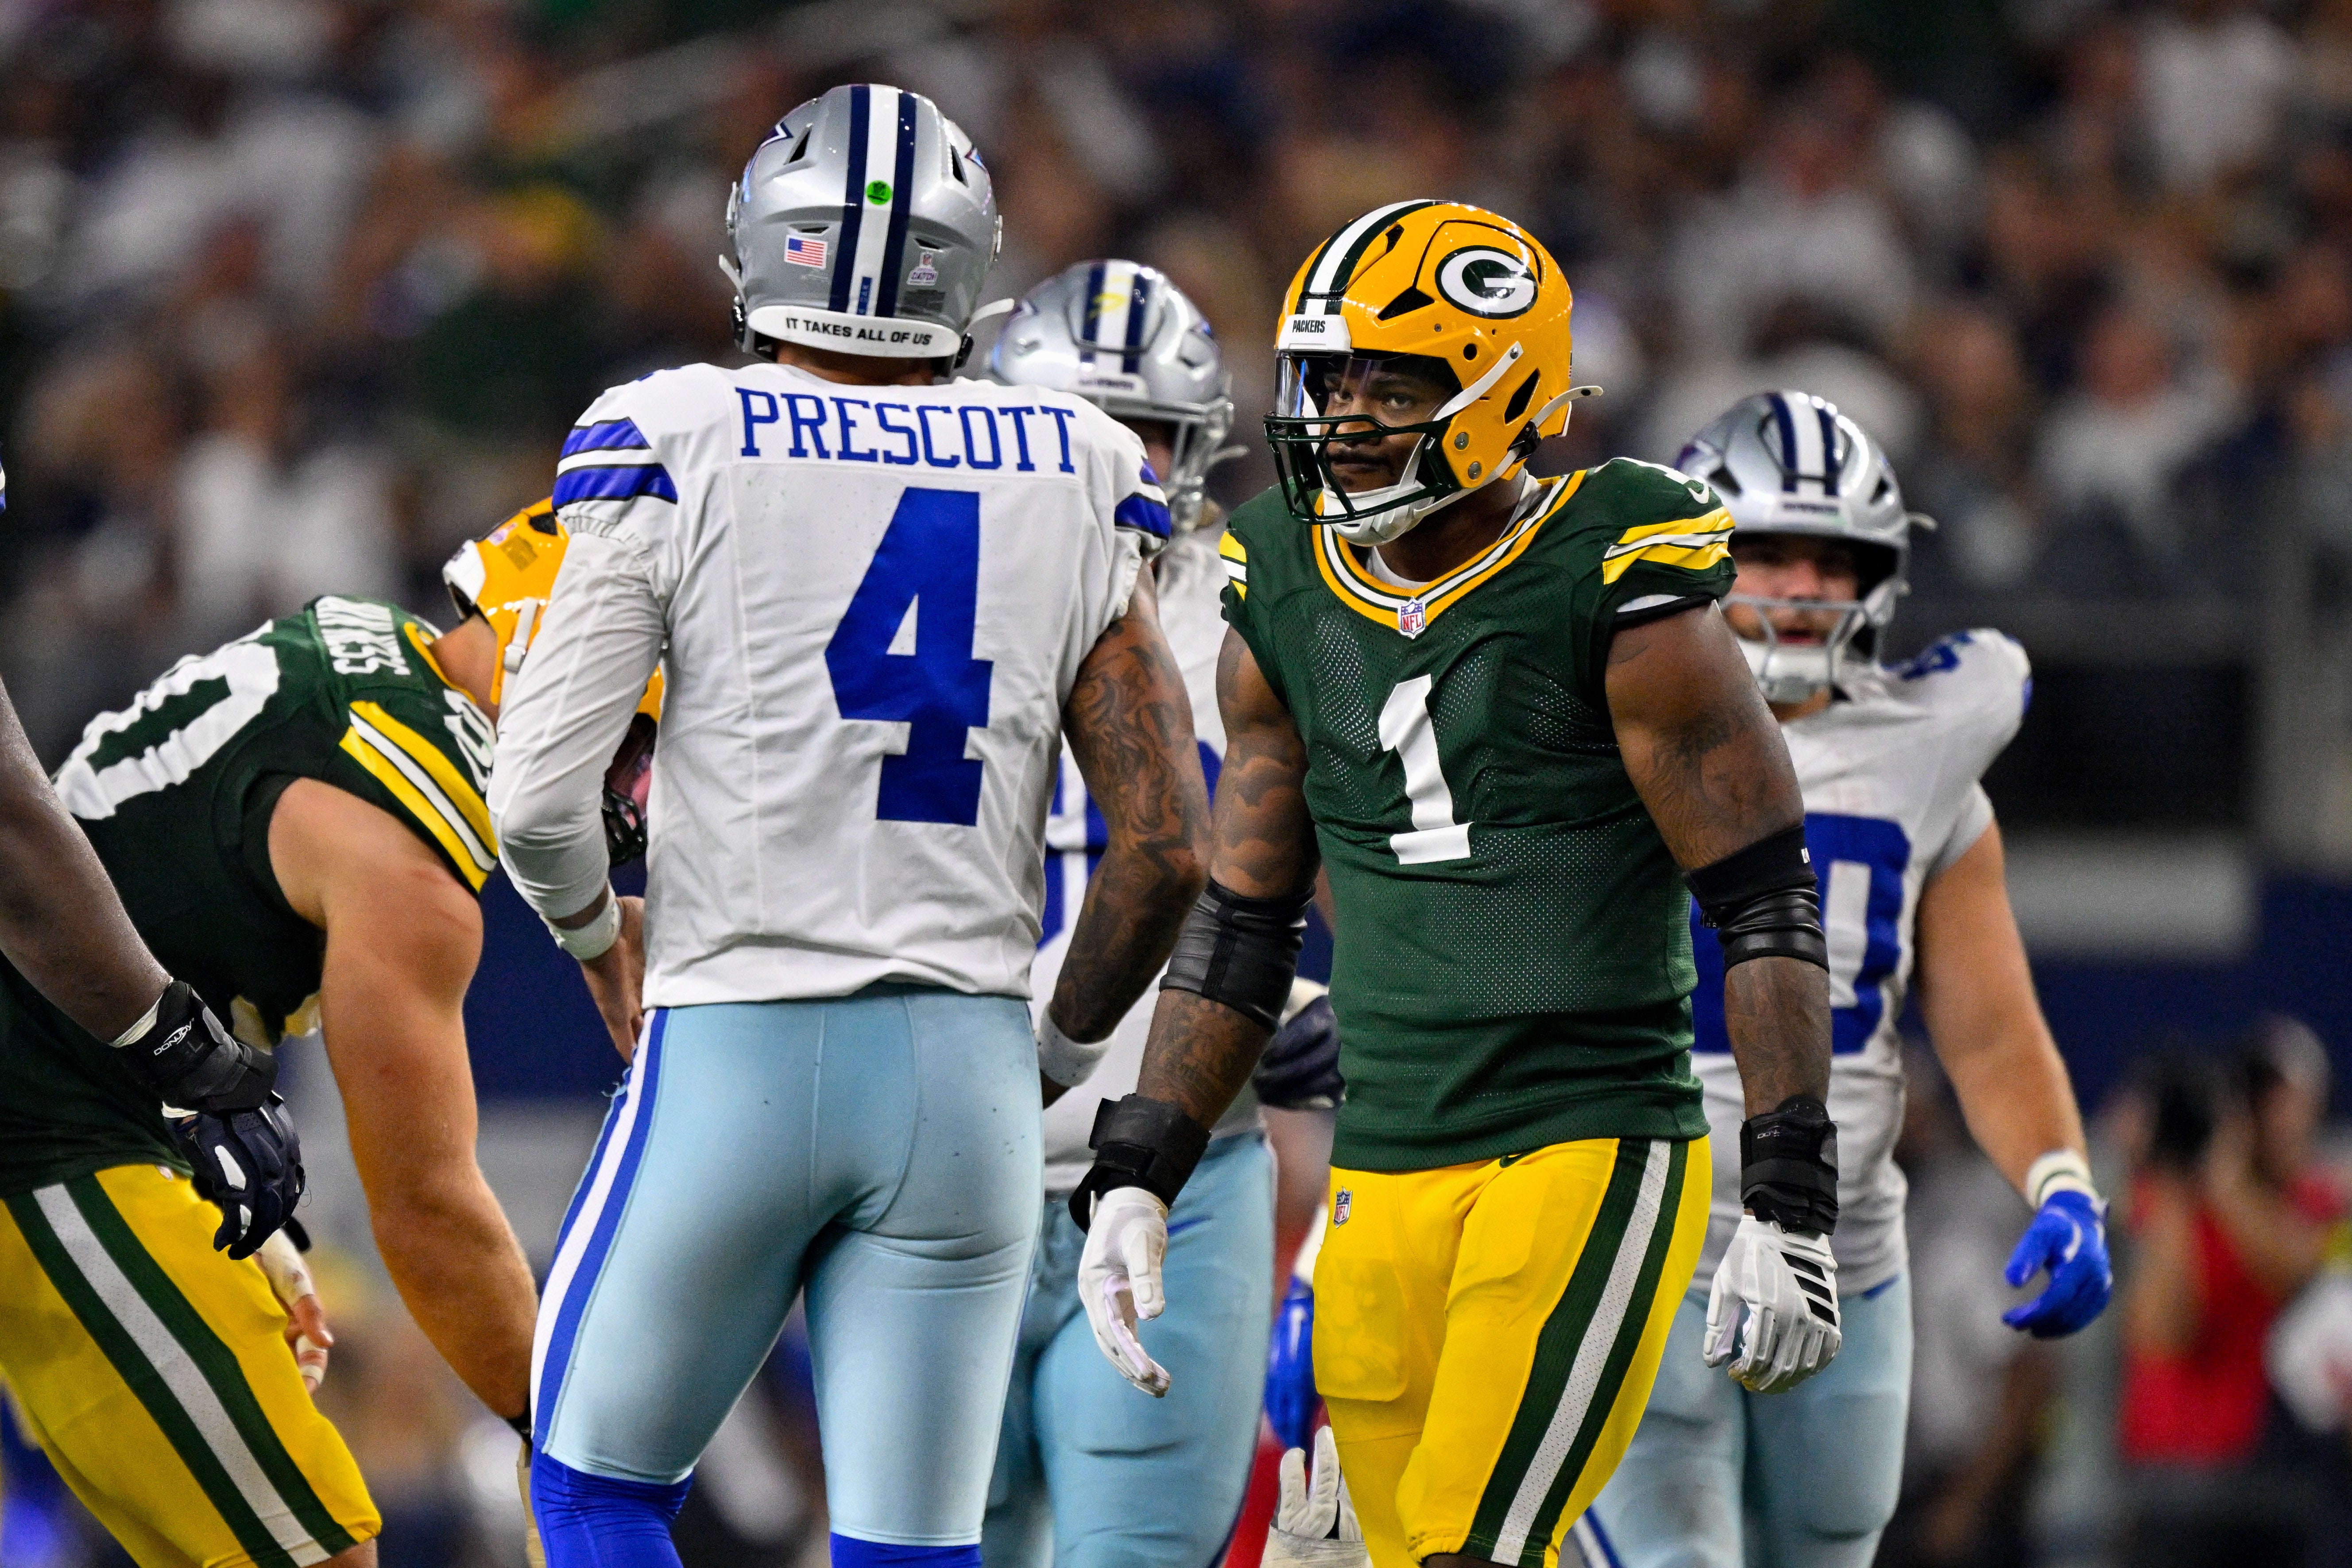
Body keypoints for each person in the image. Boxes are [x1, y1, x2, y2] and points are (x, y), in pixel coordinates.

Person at [487, 85, 1211, 1568]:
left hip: (739, 1042)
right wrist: (1049, 1056)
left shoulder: (677, 429)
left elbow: (540, 799)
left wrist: (595, 933)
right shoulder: (1081, 460)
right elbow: (1163, 849)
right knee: (912, 1550)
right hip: (967, 1074)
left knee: (595, 1489)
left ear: (765, 245)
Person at [1062, 199, 1841, 1568]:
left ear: (1508, 391)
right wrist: (1142, 1163)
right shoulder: (1285, 581)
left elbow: (1764, 898)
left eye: (1396, 385)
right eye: (1334, 381)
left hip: (1583, 1138)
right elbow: (1244, 922)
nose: (1349, 418)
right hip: (1385, 1158)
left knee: (1468, 1547)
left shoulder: (1616, 578)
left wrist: (1789, 1188)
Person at [1, 485, 645, 1567]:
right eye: (634, 741)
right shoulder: (405, 863)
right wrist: (572, 1438)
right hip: (51, 1126)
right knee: (318, 1549)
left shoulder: (371, 643)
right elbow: (428, 1214)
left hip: (102, 1115)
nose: (632, 790)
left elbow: (165, 894)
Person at [1586, 391, 2113, 1568]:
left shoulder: (1924, 754)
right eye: (1766, 551)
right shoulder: (1586, 735)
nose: (1800, 587)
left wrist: (2063, 1180)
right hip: (1636, 1241)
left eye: (1833, 561)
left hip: (1846, 1249)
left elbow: (1989, 1032)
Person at [979, 258, 1345, 1568]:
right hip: (942, 1164)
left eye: (1141, 431)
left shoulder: (1269, 605)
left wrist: (1321, 991)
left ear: (1195, 449)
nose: (1108, 461)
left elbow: (1360, 866)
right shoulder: (922, 574)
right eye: (1074, 421)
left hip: (1184, 1164)